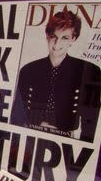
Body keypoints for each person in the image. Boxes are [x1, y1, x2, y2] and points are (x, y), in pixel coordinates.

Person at [11, 9, 101, 142]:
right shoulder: (28, 70)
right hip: (30, 136)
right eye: (54, 36)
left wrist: (79, 150)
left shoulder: (89, 70)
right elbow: (17, 114)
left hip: (66, 142)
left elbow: (91, 121)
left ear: (73, 39)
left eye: (65, 38)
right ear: (47, 36)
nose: (57, 44)